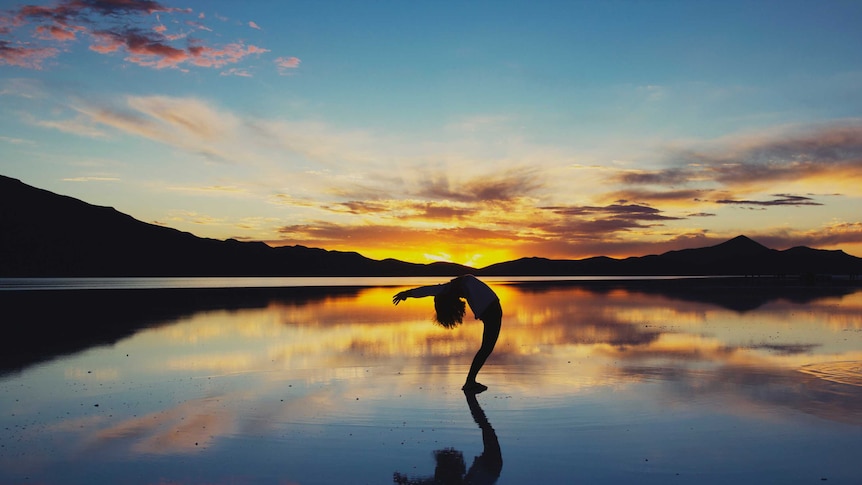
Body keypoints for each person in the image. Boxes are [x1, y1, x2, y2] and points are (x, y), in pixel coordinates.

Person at [392, 275, 502, 393]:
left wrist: (407, 293)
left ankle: (470, 381)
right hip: (491, 313)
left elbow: (429, 290)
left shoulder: (453, 286)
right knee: (486, 349)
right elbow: (429, 290)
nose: (460, 297)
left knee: (485, 349)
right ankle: (470, 382)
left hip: (491, 312)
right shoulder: (457, 285)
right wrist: (407, 294)